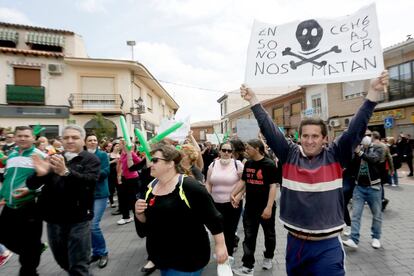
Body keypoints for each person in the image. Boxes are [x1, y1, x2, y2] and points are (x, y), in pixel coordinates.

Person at [239, 71, 388, 275]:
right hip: (294, 245)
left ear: (325, 139)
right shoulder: (289, 154)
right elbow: (269, 129)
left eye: (315, 136)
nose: (310, 140)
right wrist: (254, 100)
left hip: (327, 247)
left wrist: (372, 93)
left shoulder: (336, 155)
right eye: (306, 136)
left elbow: (355, 129)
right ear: (300, 137)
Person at [135, 144, 228, 275]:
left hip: (187, 257)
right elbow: (148, 221)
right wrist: (139, 213)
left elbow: (212, 217)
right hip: (162, 256)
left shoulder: (190, 186)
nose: (150, 163)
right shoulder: (152, 185)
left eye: (155, 160)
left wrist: (220, 245)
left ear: (170, 164)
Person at [26, 125, 101, 276]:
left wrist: (66, 172)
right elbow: (32, 184)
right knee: (62, 260)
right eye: (66, 138)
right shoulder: (54, 157)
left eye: (74, 137)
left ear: (82, 140)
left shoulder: (91, 159)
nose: (70, 141)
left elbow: (89, 182)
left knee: (79, 265)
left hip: (78, 220)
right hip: (53, 220)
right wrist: (39, 174)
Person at [0, 126, 46, 276]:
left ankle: (29, 270)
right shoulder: (12, 155)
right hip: (9, 205)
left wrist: (31, 191)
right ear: (15, 138)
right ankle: (34, 250)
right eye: (19, 135)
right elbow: (8, 178)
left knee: (29, 248)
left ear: (33, 138)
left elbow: (47, 181)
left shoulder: (39, 155)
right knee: (4, 237)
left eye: (26, 136)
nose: (22, 138)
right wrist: (2, 195)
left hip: (29, 207)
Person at [231, 139, 280, 275]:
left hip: (265, 207)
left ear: (257, 149)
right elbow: (244, 181)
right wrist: (234, 194)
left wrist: (269, 207)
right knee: (249, 236)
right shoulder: (249, 163)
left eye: (248, 148)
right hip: (250, 207)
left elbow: (272, 187)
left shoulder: (269, 164)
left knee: (269, 234)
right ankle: (247, 266)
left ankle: (268, 257)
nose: (246, 150)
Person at [342, 132, 384, 249]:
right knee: (356, 214)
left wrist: (359, 152)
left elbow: (374, 160)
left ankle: (376, 237)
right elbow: (350, 166)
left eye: (368, 135)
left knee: (376, 215)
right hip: (359, 187)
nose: (365, 137)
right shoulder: (356, 151)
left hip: (374, 187)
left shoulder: (377, 148)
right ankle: (354, 239)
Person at [205, 142, 244, 263]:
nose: (226, 153)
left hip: (233, 203)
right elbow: (208, 183)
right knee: (218, 230)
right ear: (220, 151)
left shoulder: (238, 165)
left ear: (232, 153)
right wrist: (206, 198)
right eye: (224, 150)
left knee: (230, 231)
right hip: (215, 204)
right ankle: (222, 253)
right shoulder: (213, 164)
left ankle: (229, 257)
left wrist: (238, 196)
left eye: (229, 151)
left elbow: (244, 183)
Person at [85, 134, 110, 268]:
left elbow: (106, 171)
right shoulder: (81, 155)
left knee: (94, 225)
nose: (93, 142)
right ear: (85, 142)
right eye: (90, 140)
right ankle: (96, 252)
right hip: (85, 195)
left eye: (95, 140)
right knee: (88, 226)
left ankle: (103, 252)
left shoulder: (103, 155)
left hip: (100, 193)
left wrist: (89, 175)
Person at [116, 140, 141, 225]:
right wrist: (119, 176)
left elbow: (140, 162)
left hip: (133, 179)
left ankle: (139, 218)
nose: (118, 145)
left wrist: (133, 167)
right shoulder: (122, 153)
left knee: (133, 199)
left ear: (124, 145)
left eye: (120, 144)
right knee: (123, 199)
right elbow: (121, 165)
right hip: (124, 179)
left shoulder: (131, 153)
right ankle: (126, 217)